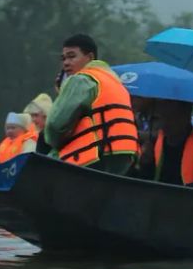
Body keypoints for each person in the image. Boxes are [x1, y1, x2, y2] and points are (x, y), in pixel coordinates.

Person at [44, 34, 139, 174]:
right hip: (122, 158)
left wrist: (51, 144)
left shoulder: (81, 79)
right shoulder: (116, 82)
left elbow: (56, 125)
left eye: (71, 56)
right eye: (63, 58)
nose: (66, 63)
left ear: (89, 57)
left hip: (92, 157)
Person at [138, 100, 193, 190]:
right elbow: (148, 179)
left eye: (170, 117)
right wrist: (146, 163)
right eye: (161, 118)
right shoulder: (158, 141)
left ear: (186, 116)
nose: (164, 123)